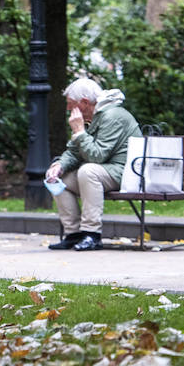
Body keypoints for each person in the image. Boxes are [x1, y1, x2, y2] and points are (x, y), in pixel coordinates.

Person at [45, 77, 141, 251]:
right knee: (59, 179)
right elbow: (74, 152)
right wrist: (59, 166)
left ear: (84, 102)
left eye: (70, 104)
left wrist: (80, 132)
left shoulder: (112, 116)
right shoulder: (88, 118)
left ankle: (92, 234)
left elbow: (97, 156)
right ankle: (73, 235)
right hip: (103, 171)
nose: (68, 109)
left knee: (88, 171)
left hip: (125, 172)